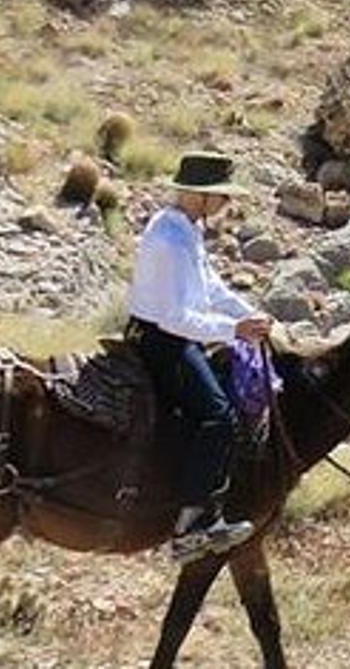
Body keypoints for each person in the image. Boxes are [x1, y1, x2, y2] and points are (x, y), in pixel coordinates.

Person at [126, 151, 272, 564]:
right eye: (222, 196)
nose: (227, 204)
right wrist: (233, 330)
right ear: (200, 196)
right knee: (218, 415)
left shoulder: (186, 229)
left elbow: (212, 290)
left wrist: (248, 314)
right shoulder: (170, 240)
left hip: (174, 335)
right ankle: (191, 527)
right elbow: (175, 318)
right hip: (162, 340)